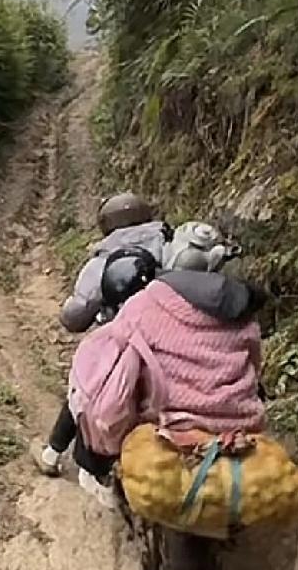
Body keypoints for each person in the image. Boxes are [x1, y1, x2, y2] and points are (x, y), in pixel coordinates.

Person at [67, 262, 266, 510]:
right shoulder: (246, 320)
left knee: (102, 395)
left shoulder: (144, 305)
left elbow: (115, 371)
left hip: (174, 427)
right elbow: (255, 366)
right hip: (242, 424)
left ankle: (105, 483)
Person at [37, 245, 160, 505]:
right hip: (132, 411)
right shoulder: (156, 319)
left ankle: (55, 454)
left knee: (81, 397)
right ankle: (85, 470)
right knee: (103, 406)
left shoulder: (110, 328)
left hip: (99, 404)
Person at [60, 192, 171, 334]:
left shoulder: (101, 262)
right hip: (173, 332)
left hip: (124, 337)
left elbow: (75, 316)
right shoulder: (171, 245)